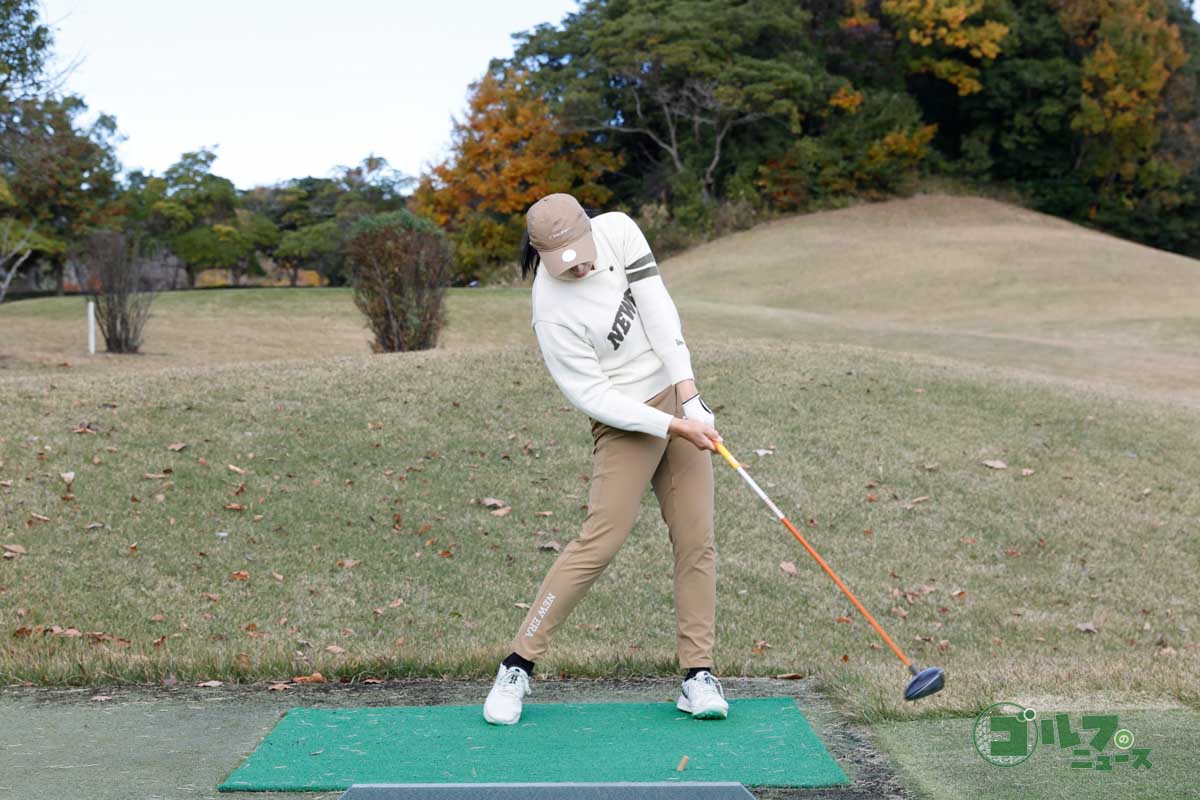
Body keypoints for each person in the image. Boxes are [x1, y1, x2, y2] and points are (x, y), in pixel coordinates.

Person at [482, 192, 728, 726]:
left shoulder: (618, 230)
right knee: (601, 539)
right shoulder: (550, 313)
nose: (580, 270)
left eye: (582, 256)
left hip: (671, 395)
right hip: (623, 418)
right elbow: (595, 397)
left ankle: (697, 676)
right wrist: (673, 425)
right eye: (564, 265)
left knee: (696, 539)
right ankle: (516, 665)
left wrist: (689, 398)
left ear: (590, 231)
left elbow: (658, 309)